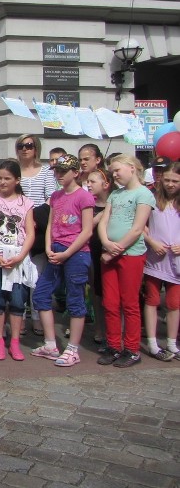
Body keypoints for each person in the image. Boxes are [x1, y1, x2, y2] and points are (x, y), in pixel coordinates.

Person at [31, 154, 94, 367]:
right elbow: (50, 224)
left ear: (75, 173)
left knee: (75, 299)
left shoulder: (83, 197)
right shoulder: (56, 196)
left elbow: (86, 231)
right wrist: (48, 247)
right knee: (41, 294)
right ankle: (50, 343)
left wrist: (67, 253)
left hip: (76, 253)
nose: (58, 175)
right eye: (56, 171)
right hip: (56, 250)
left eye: (63, 171)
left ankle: (73, 348)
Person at [96, 154, 155, 368]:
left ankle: (132, 349)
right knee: (110, 302)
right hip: (109, 252)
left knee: (129, 303)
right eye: (112, 171)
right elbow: (104, 221)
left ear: (131, 168)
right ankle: (113, 344)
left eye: (117, 170)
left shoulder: (144, 194)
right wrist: (105, 241)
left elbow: (138, 228)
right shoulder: (115, 195)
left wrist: (114, 250)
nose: (115, 174)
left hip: (130, 254)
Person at [0, 160, 36, 361]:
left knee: (17, 301)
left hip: (17, 257)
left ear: (17, 180)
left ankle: (14, 341)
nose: (2, 182)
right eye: (0, 178)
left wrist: (21, 256)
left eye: (7, 178)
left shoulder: (25, 203)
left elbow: (29, 232)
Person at [142, 161, 180, 361]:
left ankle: (172, 343)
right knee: (152, 300)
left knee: (174, 303)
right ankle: (152, 342)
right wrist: (151, 242)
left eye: (175, 181)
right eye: (167, 180)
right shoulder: (153, 199)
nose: (170, 184)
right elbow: (141, 224)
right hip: (155, 259)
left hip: (176, 261)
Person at [85, 168, 114, 349]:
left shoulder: (114, 202)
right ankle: (99, 328)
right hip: (91, 250)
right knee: (95, 291)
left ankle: (113, 332)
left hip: (109, 250)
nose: (88, 184)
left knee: (109, 294)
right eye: (87, 181)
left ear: (105, 185)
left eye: (92, 182)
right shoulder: (89, 204)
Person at [15, 134, 57, 206]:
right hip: (17, 214)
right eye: (20, 146)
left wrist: (37, 212)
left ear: (36, 149)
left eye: (29, 146)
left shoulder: (46, 171)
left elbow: (51, 197)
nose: (24, 149)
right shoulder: (13, 171)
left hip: (40, 214)